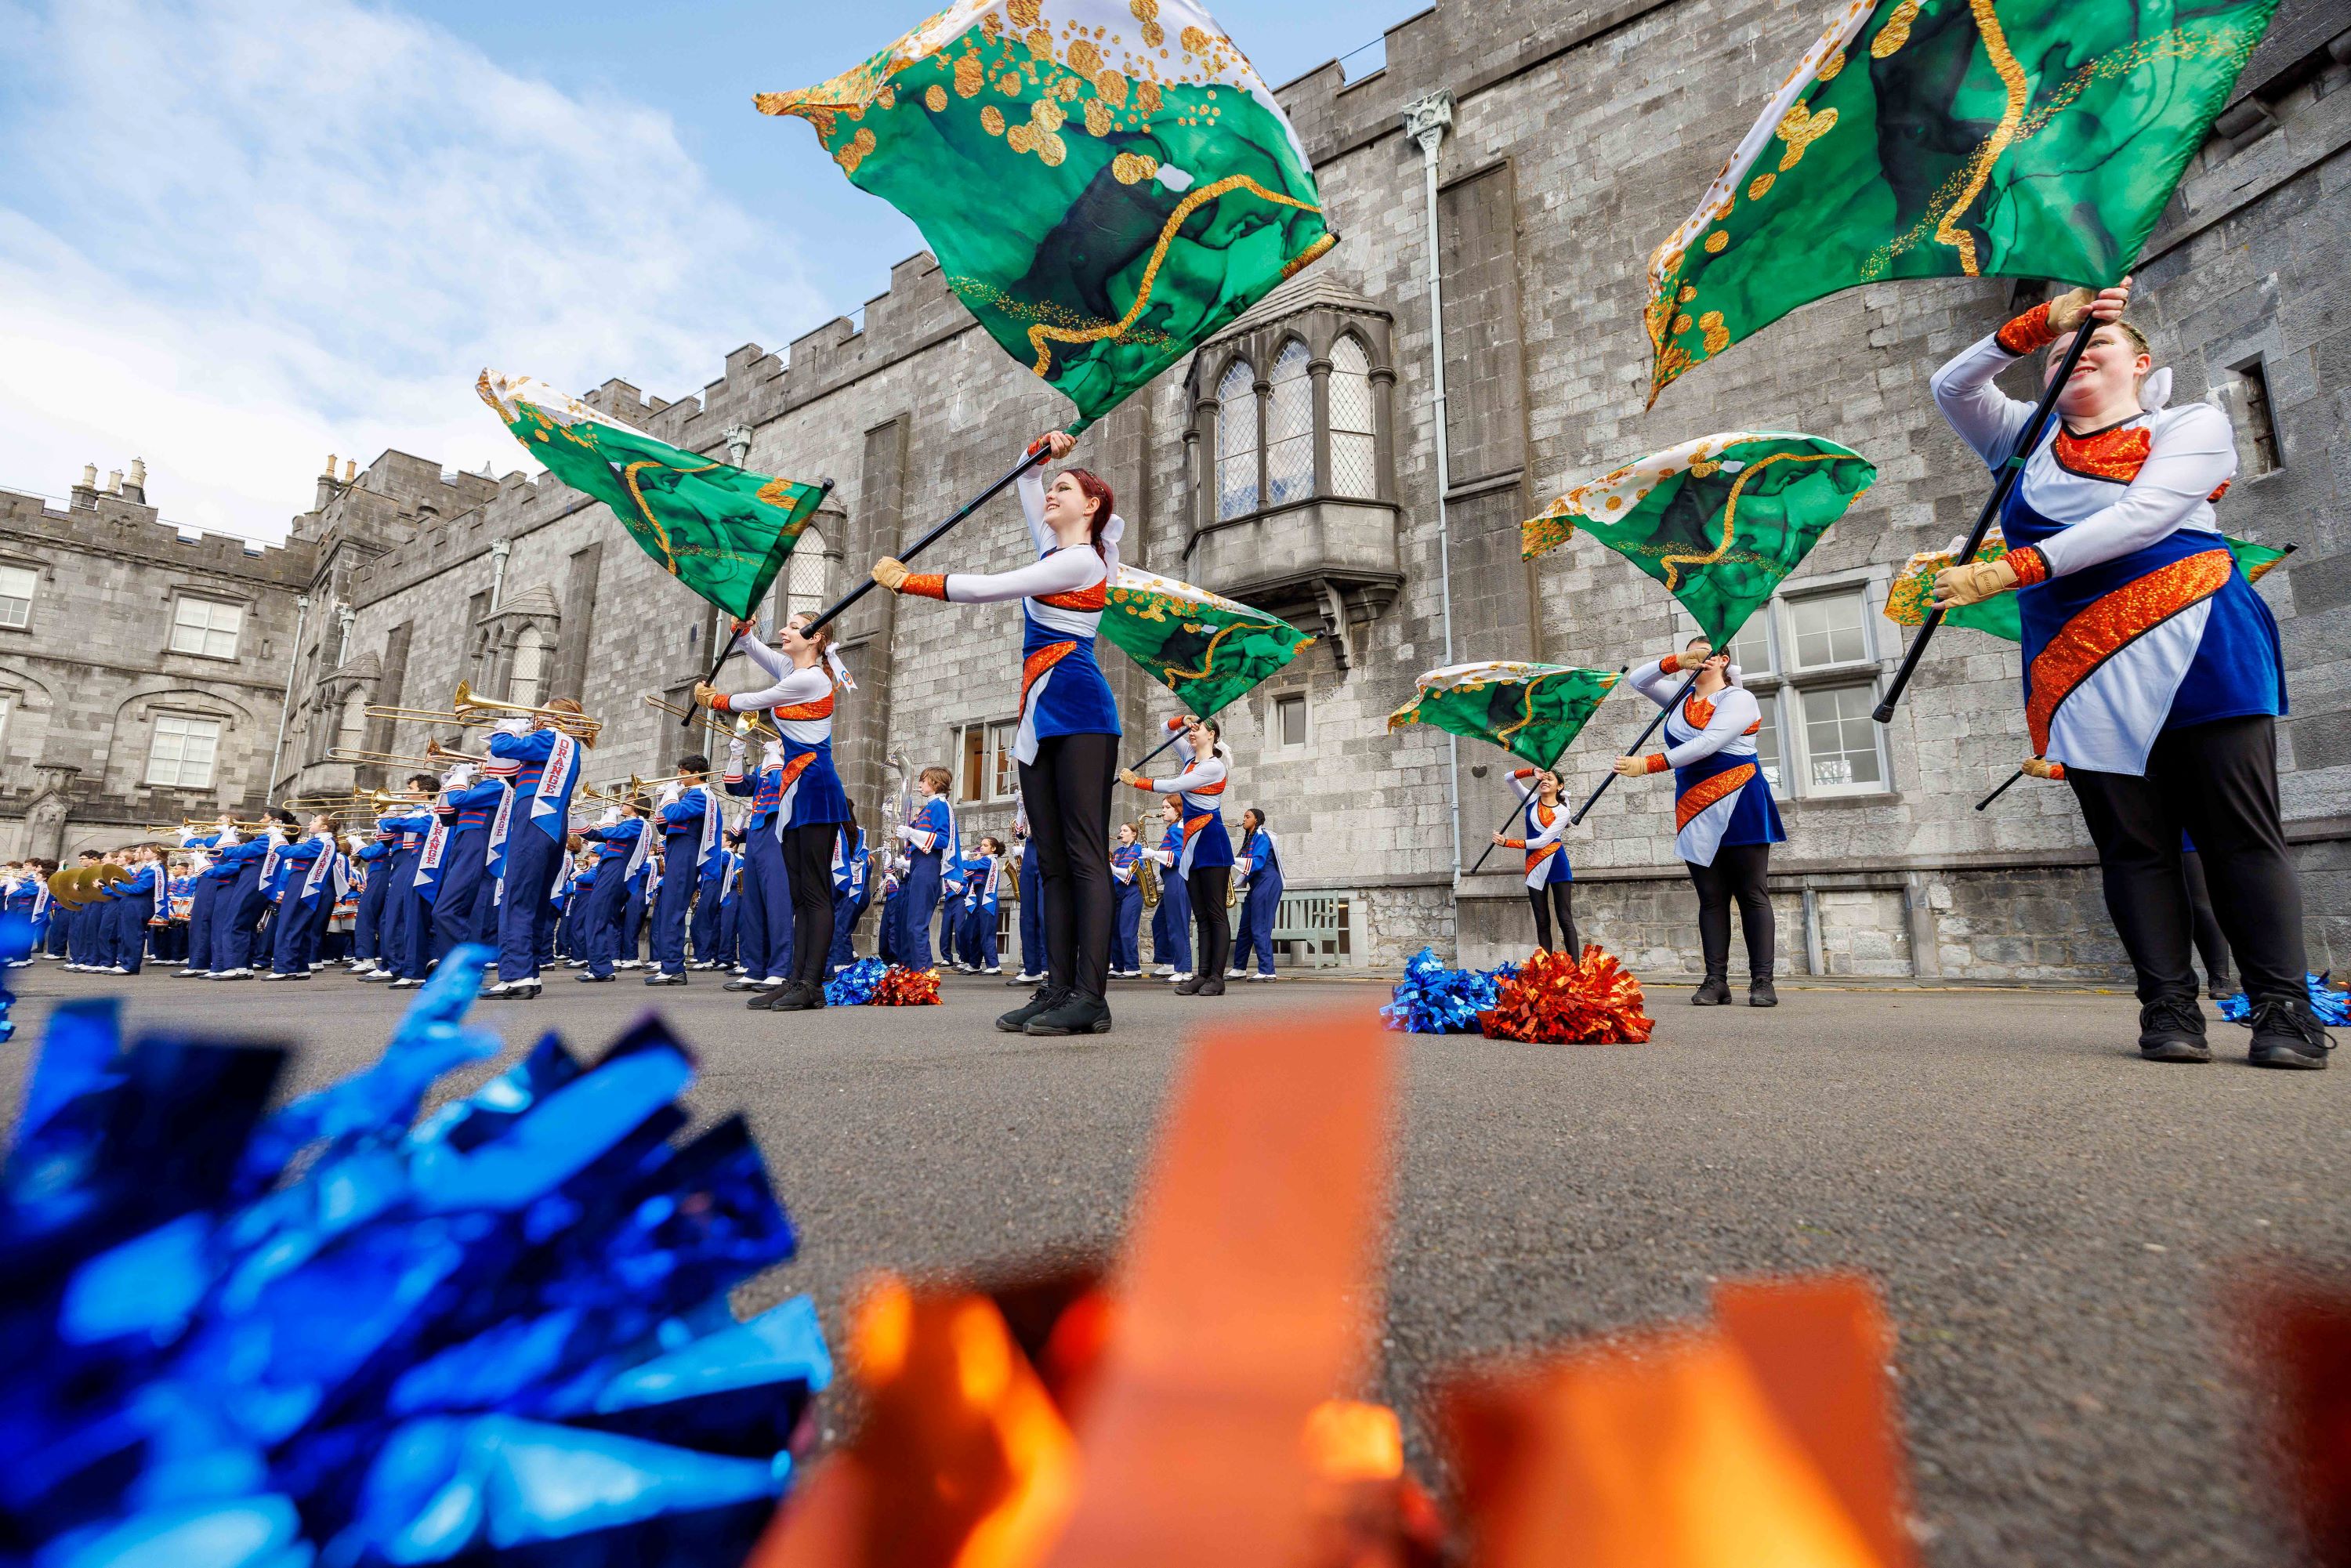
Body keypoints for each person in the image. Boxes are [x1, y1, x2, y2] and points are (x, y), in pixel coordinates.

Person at [1927, 278, 2326, 1068]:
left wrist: (2015, 568)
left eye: (2098, 343)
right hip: (2079, 667)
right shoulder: (2022, 442)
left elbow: (2142, 517)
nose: (2075, 356)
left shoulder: (2192, 424)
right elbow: (1951, 384)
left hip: (2200, 641)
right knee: (2133, 844)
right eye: (2059, 356)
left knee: (2239, 833)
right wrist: (2044, 322)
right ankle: (2167, 1007)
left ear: (2141, 363)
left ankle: (2284, 1009)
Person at [874, 430, 1124, 1035]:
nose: (1052, 495)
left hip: (1082, 711)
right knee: (1053, 864)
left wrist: (913, 581)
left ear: (1091, 505)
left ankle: (1091, 995)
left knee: (1085, 856)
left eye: (1066, 488)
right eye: (1056, 488)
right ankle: (1058, 985)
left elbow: (989, 586)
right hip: (1039, 713)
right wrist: (1043, 449)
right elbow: (1024, 477)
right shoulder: (1051, 544)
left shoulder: (1084, 558)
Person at [697, 609, 857, 1012]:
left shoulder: (811, 678)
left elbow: (756, 699)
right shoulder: (792, 667)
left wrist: (715, 699)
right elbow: (763, 657)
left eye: (793, 625)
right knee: (800, 894)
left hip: (816, 786)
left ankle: (812, 985)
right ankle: (795, 979)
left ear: (816, 637)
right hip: (796, 787)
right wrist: (745, 635)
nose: (784, 631)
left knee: (816, 894)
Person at [1614, 639, 1784, 1006]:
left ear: (1724, 660)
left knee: (1752, 893)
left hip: (1740, 799)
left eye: (1709, 652)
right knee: (1710, 897)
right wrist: (1674, 661)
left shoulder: (1738, 699)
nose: (1702, 659)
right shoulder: (1679, 699)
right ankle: (1715, 981)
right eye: (1696, 653)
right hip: (1693, 806)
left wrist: (1650, 764)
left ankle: (1762, 982)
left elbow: (1710, 742)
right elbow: (1639, 681)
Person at [477, 697, 589, 1000]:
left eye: (543, 710)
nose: (536, 715)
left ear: (555, 715)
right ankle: (528, 973)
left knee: (516, 897)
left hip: (534, 820)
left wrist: (507, 729)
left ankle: (515, 976)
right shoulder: (569, 746)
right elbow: (525, 778)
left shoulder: (549, 738)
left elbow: (503, 747)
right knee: (532, 901)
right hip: (552, 824)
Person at [1123, 713, 1234, 998]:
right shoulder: (1189, 757)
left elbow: (1174, 786)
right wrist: (1183, 719)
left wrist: (1138, 782)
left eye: (1202, 728)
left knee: (1215, 913)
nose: (1194, 732)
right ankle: (1202, 974)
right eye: (1194, 728)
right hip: (1191, 846)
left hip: (1211, 841)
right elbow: (1164, 729)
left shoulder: (1213, 767)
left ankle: (1216, 978)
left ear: (1213, 735)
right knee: (1200, 914)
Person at [720, 724, 792, 997]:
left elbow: (780, 784)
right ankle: (754, 968)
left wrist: (775, 754)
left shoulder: (795, 763)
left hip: (780, 833)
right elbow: (735, 786)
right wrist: (737, 750)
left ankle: (780, 969)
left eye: (779, 740)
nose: (773, 743)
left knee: (777, 904)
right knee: (753, 904)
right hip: (758, 834)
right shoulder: (768, 768)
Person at [645, 755, 719, 986]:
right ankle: (670, 966)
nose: (678, 776)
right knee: (668, 909)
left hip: (686, 851)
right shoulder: (690, 795)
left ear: (695, 773)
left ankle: (673, 968)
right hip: (677, 849)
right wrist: (662, 799)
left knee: (673, 910)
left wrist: (669, 794)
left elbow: (675, 815)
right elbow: (664, 825)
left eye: (682, 773)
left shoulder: (700, 794)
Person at [1495, 768, 1578, 954]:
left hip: (1557, 862)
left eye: (1550, 779)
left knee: (1565, 918)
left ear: (1560, 786)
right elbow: (1509, 778)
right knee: (1542, 920)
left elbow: (1542, 841)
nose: (1545, 781)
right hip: (1534, 864)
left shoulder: (1563, 812)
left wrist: (1507, 843)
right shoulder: (1531, 800)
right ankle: (1545, 969)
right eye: (1544, 778)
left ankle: (1575, 969)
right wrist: (1532, 771)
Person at [886, 766, 955, 976]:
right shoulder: (930, 807)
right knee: (909, 922)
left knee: (917, 924)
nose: (919, 785)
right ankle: (909, 970)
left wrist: (911, 832)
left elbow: (942, 840)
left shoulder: (940, 805)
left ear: (935, 783)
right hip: (918, 864)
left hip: (928, 865)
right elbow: (917, 838)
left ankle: (924, 974)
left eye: (923, 781)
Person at [576, 802, 650, 983]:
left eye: (626, 803)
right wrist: (577, 820)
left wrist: (609, 816)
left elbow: (608, 833)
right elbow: (602, 842)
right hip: (611, 868)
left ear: (636, 807)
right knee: (598, 918)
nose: (621, 806)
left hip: (616, 870)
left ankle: (601, 968)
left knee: (596, 917)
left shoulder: (637, 823)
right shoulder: (628, 826)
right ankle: (600, 967)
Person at [263, 816, 338, 980]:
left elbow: (286, 852)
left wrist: (276, 835)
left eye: (315, 821)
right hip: (303, 884)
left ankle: (285, 968)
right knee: (299, 928)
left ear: (324, 827)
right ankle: (299, 966)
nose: (310, 822)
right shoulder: (325, 843)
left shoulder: (319, 843)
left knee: (288, 925)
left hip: (301, 884)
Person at [1233, 808, 1286, 981]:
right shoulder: (1251, 838)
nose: (1244, 819)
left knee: (1260, 926)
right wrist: (1236, 883)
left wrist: (1231, 861)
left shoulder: (1262, 837)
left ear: (1256, 820)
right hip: (1257, 885)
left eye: (1248, 817)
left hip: (1268, 883)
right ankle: (1239, 968)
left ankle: (1267, 970)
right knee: (1245, 928)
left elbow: (1258, 862)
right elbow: (1249, 868)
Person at [1146, 797, 1193, 983]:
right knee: (1160, 922)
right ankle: (1168, 963)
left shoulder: (1180, 827)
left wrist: (1155, 854)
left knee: (1178, 923)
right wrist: (1160, 875)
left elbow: (1181, 855)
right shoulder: (1173, 828)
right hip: (1170, 878)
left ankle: (1184, 970)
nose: (1163, 810)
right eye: (1162, 807)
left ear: (1178, 809)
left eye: (1167, 807)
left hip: (1179, 879)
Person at [1009, 795, 1045, 986]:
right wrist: (1022, 808)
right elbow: (1021, 834)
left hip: (1050, 847)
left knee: (1044, 914)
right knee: (1028, 915)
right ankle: (1033, 968)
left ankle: (1051, 968)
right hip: (1031, 849)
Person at [829, 813, 868, 975]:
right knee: (839, 926)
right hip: (846, 887)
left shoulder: (857, 833)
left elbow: (857, 861)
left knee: (840, 927)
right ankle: (848, 957)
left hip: (853, 889)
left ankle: (843, 963)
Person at [960, 836, 1005, 976]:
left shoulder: (989, 860)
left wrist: (960, 860)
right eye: (981, 845)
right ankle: (974, 964)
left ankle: (994, 965)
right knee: (975, 933)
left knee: (987, 934)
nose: (982, 847)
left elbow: (972, 866)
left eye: (985, 845)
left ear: (993, 849)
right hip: (979, 901)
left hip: (987, 901)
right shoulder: (983, 860)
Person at [1108, 823, 1144, 979]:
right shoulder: (1117, 852)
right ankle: (1118, 966)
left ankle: (1133, 967)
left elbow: (1136, 873)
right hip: (1116, 892)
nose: (1121, 833)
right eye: (1120, 830)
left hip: (1132, 891)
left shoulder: (1139, 850)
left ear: (1134, 834)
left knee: (1127, 930)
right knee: (1115, 930)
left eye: (1125, 831)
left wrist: (1114, 869)